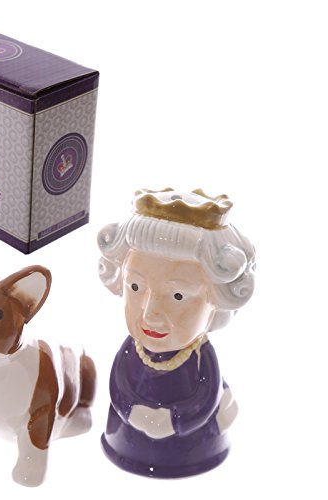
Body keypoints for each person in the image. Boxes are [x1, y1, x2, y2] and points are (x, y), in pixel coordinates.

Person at [97, 188, 255, 478]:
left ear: (216, 302)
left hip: (195, 447)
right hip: (125, 438)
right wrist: (130, 411)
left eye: (178, 296)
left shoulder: (200, 356)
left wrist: (175, 421)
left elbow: (206, 397)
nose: (150, 314)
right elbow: (117, 384)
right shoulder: (133, 348)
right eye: (135, 286)